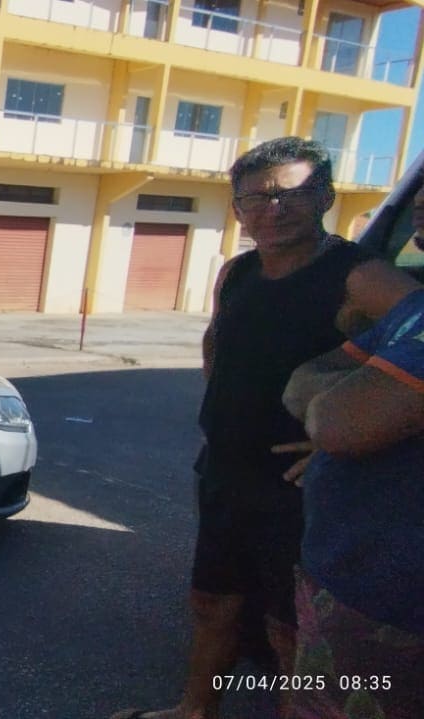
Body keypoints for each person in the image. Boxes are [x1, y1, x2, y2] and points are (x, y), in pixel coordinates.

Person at [112, 137, 417, 719]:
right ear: (236, 210)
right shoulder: (239, 271)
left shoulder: (358, 276)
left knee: (290, 628)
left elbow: (418, 344)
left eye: (290, 195)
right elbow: (218, 342)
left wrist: (337, 440)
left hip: (296, 488)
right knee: (212, 601)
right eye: (255, 199)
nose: (271, 210)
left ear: (324, 195)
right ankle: (194, 711)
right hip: (226, 470)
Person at [270, 282, 424, 718]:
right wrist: (374, 401)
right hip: (357, 590)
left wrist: (367, 403)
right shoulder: (414, 308)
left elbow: (338, 422)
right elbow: (300, 386)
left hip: (397, 608)